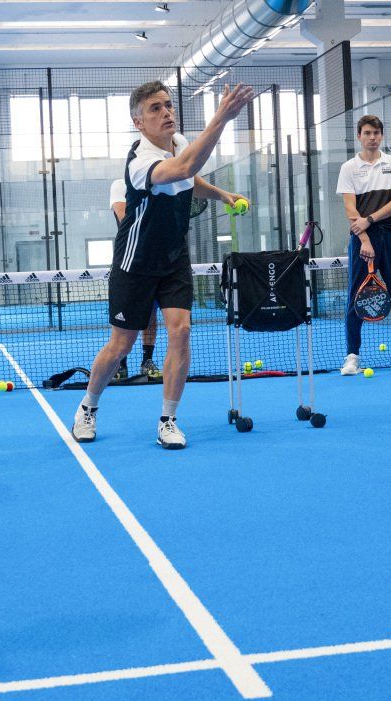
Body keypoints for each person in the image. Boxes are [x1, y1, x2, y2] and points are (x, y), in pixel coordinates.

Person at [72, 81, 255, 449]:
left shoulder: (181, 141)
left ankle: (168, 420)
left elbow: (190, 175)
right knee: (120, 346)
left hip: (174, 257)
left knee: (181, 331)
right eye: (155, 108)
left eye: (169, 105)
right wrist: (222, 116)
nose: (166, 112)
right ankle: (88, 406)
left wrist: (221, 194)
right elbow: (183, 167)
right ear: (138, 122)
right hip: (135, 263)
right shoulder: (140, 162)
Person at [335, 113, 391, 374]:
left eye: (376, 133)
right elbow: (350, 208)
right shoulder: (348, 168)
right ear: (359, 136)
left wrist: (369, 220)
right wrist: (364, 238)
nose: (372, 138)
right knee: (354, 298)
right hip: (362, 241)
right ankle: (352, 357)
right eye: (367, 133)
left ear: (381, 136)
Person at [109, 175, 163, 381]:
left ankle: (147, 361)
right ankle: (120, 363)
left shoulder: (160, 187)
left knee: (150, 314)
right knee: (124, 316)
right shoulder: (119, 184)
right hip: (127, 261)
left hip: (155, 261)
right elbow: (126, 219)